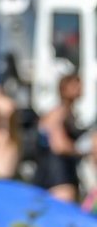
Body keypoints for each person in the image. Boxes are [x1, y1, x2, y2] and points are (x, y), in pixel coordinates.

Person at [36, 70, 84, 203]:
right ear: (64, 89)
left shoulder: (69, 113)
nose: (80, 89)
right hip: (57, 175)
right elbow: (59, 145)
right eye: (75, 85)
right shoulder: (58, 113)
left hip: (63, 172)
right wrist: (82, 151)